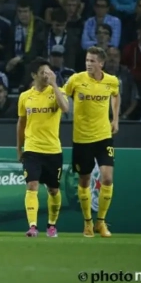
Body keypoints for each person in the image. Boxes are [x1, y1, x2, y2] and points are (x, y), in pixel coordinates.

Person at [63, 46, 120, 238]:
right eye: (87, 60)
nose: (88, 64)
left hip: (104, 136)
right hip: (82, 138)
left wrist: (115, 119)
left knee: (107, 178)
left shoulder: (111, 81)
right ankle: (87, 222)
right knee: (84, 180)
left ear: (101, 63)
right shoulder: (76, 80)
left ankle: (100, 222)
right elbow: (62, 95)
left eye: (92, 61)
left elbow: (116, 95)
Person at [17, 58, 70, 237]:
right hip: (32, 148)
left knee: (53, 190)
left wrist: (55, 85)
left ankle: (51, 225)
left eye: (49, 72)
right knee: (32, 185)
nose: (46, 76)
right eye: (43, 73)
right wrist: (19, 148)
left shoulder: (57, 92)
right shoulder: (25, 97)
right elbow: (21, 123)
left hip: (53, 149)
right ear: (34, 75)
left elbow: (65, 108)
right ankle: (32, 226)